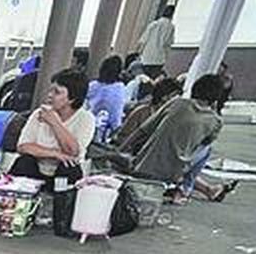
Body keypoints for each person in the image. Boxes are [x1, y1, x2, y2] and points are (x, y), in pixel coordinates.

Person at [119, 74, 235, 204]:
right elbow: (202, 144)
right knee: (206, 150)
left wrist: (119, 151)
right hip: (173, 174)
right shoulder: (215, 121)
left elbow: (142, 130)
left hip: (143, 165)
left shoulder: (177, 103)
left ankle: (193, 189)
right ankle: (184, 189)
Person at [9, 69, 95, 187]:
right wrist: (55, 154)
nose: (50, 95)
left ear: (72, 98)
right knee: (24, 162)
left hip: (63, 173)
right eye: (50, 90)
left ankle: (61, 202)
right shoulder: (39, 113)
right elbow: (23, 147)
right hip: (37, 169)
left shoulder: (86, 119)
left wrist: (55, 123)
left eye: (57, 92)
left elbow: (73, 152)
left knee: (69, 167)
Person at [114, 76, 181, 145]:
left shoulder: (171, 116)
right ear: (164, 97)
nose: (177, 99)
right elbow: (121, 137)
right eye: (174, 96)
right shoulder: (141, 112)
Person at [86, 55, 127, 142]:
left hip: (88, 121)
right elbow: (116, 113)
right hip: (105, 129)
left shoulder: (92, 85)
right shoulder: (119, 88)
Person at [137, 5, 176, 78]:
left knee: (145, 79)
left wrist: (139, 53)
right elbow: (169, 43)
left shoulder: (154, 24)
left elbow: (143, 41)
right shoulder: (171, 27)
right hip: (159, 59)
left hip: (147, 57)